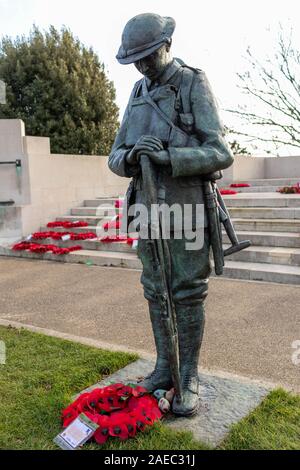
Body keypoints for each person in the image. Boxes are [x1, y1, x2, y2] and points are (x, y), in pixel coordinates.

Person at [108, 13, 234, 416]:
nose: (143, 66)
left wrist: (168, 156)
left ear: (168, 46)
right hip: (147, 207)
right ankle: (165, 366)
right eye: (136, 60)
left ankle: (190, 374)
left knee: (187, 292)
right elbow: (114, 155)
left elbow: (220, 152)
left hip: (188, 208)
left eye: (148, 56)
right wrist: (132, 155)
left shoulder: (193, 83)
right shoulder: (137, 92)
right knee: (155, 289)